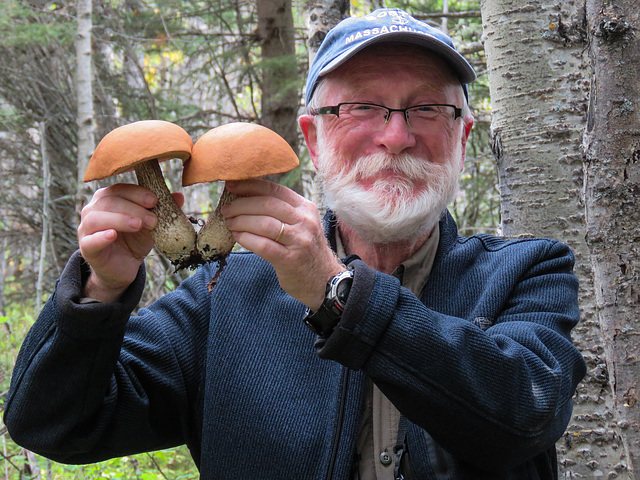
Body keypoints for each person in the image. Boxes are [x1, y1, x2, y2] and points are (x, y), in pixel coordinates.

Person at [4, 8, 586, 480]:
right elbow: (53, 424)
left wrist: (335, 292)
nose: (396, 135)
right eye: (362, 106)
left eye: (428, 107)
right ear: (312, 134)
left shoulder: (528, 271)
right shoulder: (228, 291)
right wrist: (100, 291)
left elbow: (524, 415)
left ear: (462, 132)